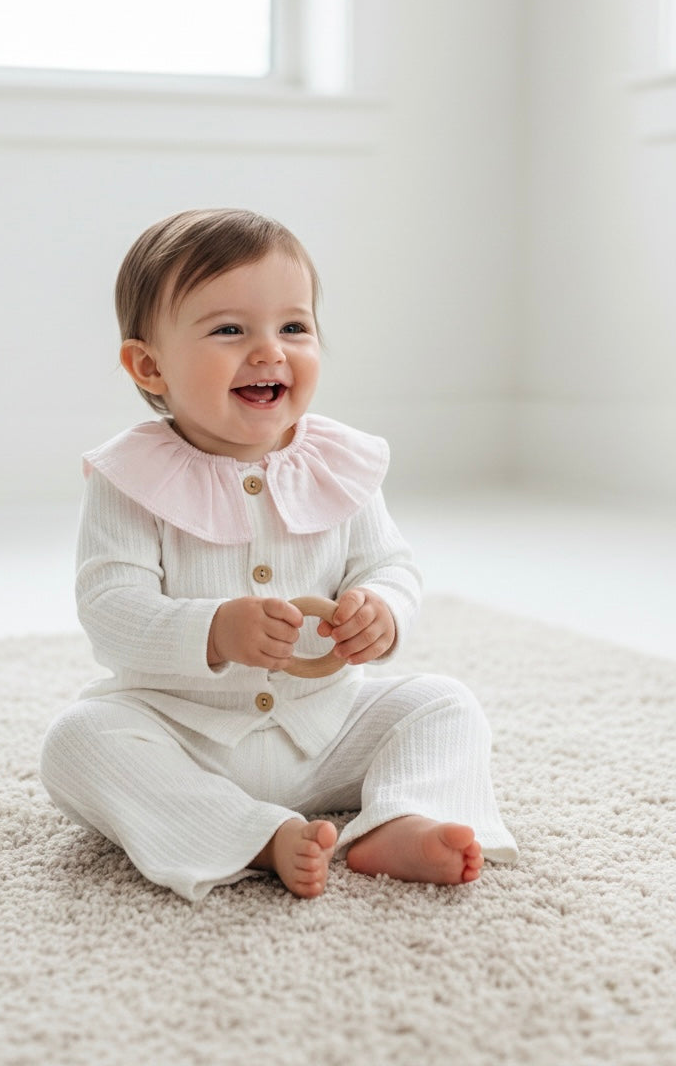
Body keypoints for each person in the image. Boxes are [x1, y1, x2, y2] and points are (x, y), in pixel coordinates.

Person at [40, 208, 518, 901]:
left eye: (293, 327)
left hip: (324, 729)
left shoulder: (339, 464)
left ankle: (404, 817)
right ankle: (249, 834)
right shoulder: (131, 479)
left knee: (442, 703)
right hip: (186, 733)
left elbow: (390, 566)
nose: (270, 351)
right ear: (150, 365)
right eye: (230, 330)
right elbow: (110, 610)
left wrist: (381, 611)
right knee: (78, 740)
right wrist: (213, 630)